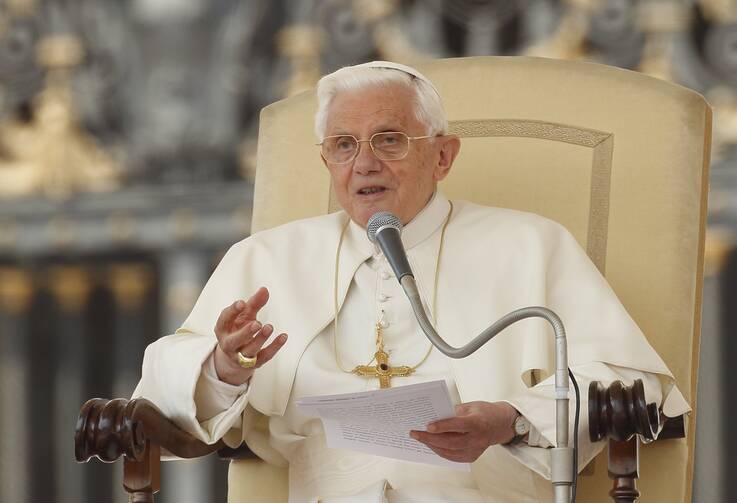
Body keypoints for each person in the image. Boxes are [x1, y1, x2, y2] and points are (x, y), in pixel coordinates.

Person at [134, 61, 689, 502]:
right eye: (343, 145)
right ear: (326, 160)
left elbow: (634, 388)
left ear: (443, 156)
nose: (365, 163)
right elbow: (164, 398)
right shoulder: (266, 258)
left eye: (390, 140)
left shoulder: (531, 245)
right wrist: (226, 369)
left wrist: (513, 420)